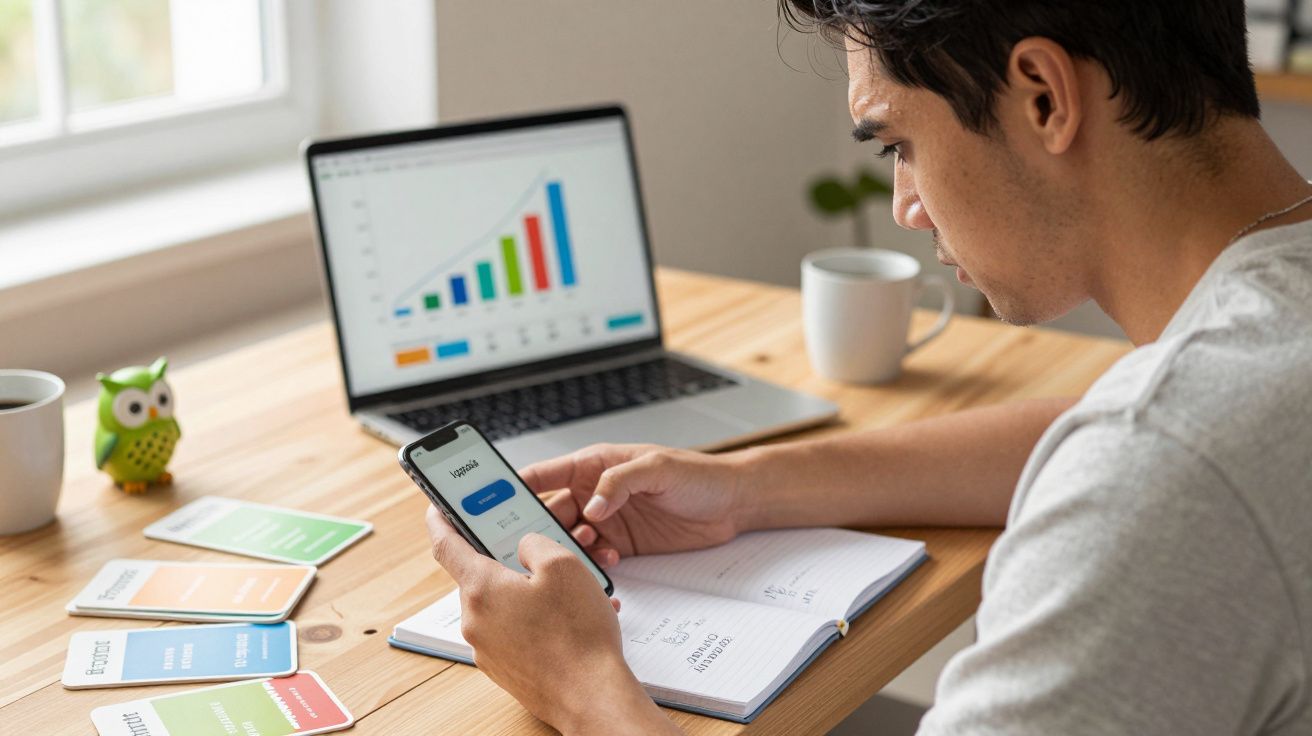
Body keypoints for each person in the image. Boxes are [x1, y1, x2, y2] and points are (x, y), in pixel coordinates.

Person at [425, 1, 1312, 733]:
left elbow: (1156, 454)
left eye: (898, 145)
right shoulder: (1244, 365)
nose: (905, 206)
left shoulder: (1167, 464)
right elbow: (1125, 426)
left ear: (1043, 96)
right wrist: (747, 488)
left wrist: (581, 685)